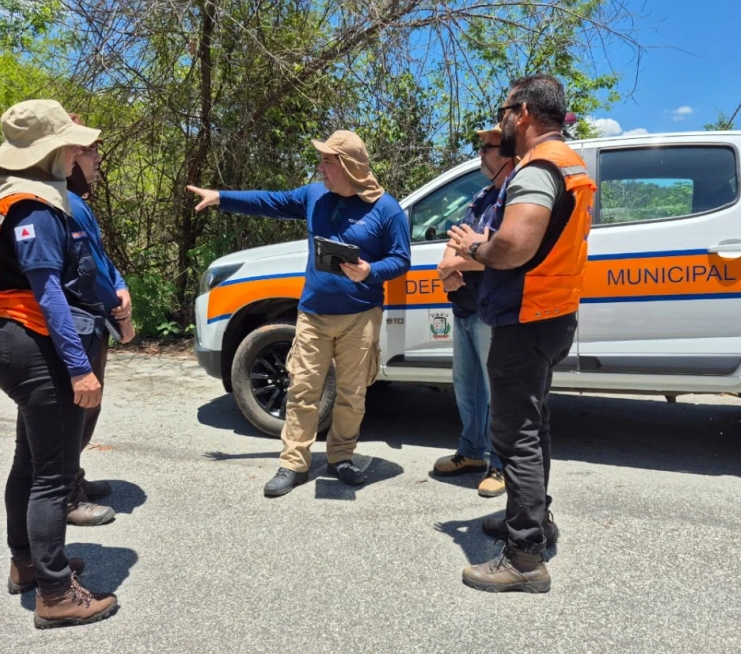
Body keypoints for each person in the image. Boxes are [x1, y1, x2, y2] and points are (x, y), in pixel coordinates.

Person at [187, 130, 411, 497]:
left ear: (349, 167)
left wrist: (371, 271)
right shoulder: (314, 196)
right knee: (303, 390)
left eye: (328, 161)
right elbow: (269, 201)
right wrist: (221, 197)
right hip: (313, 315)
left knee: (352, 394)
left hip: (361, 318)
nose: (320, 168)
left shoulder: (386, 208)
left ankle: (341, 458)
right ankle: (293, 463)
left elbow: (401, 260)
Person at [0, 99, 121, 627]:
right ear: (50, 152)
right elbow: (50, 294)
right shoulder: (35, 207)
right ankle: (56, 594)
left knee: (30, 463)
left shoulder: (13, 196)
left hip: (13, 342)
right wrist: (80, 367)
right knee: (53, 476)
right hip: (35, 346)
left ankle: (27, 565)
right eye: (69, 145)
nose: (75, 153)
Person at [447, 75, 596, 593]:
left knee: (516, 437)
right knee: (535, 426)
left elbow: (513, 247)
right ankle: (535, 520)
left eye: (505, 111)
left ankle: (525, 558)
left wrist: (474, 248)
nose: (503, 121)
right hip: (554, 314)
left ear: (524, 112)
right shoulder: (569, 163)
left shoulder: (538, 168)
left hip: (526, 316)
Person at [432, 125, 516, 498]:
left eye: (488, 147)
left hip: (492, 310)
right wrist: (447, 266)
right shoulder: (482, 195)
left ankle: (501, 465)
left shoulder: (515, 197)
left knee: (497, 391)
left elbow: (499, 252)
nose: (481, 153)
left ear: (508, 153)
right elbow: (459, 239)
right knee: (468, 386)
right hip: (466, 307)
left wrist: (455, 263)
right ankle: (471, 451)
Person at [64, 114, 135, 527]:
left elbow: (102, 260)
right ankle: (65, 495)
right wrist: (121, 315)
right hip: (79, 323)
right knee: (76, 410)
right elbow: (88, 273)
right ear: (69, 155)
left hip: (92, 320)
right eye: (89, 150)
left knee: (86, 408)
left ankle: (72, 476)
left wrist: (121, 288)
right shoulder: (67, 204)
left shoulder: (78, 202)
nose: (97, 159)